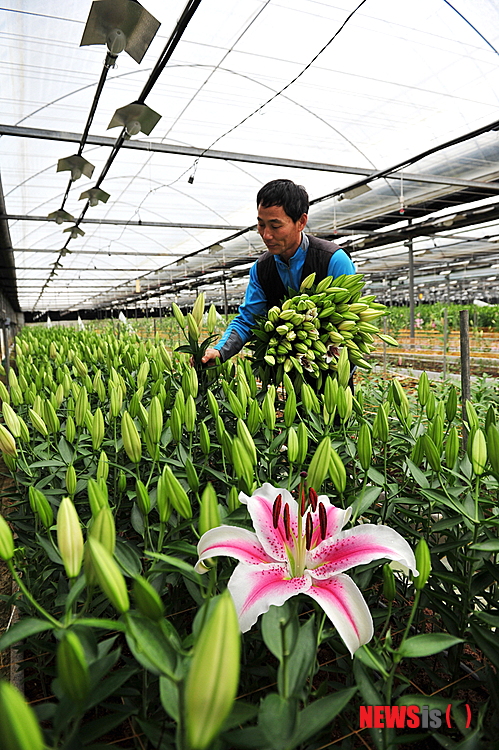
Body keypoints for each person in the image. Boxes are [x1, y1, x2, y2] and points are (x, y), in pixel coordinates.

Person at [201, 178, 356, 365]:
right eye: (261, 224)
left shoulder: (333, 260)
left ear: (301, 221)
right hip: (284, 368)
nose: (266, 235)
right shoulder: (261, 269)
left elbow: (352, 322)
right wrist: (220, 351)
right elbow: (248, 319)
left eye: (275, 226)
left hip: (333, 368)